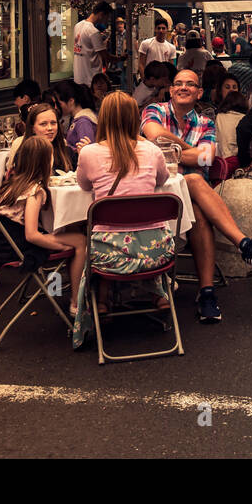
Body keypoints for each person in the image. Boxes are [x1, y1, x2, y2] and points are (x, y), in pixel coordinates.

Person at [141, 69, 252, 322]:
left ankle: (207, 292)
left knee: (199, 211)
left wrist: (171, 151)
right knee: (192, 178)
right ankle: (243, 244)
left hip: (191, 200)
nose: (183, 87)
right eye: (178, 83)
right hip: (158, 193)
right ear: (171, 90)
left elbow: (207, 158)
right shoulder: (155, 110)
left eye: (189, 84)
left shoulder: (206, 122)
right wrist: (190, 150)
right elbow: (156, 137)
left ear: (199, 92)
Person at [72, 93, 175, 344]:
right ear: (134, 119)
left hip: (110, 255)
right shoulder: (151, 150)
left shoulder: (89, 153)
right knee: (141, 230)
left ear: (103, 119)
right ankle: (157, 293)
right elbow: (163, 180)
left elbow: (83, 185)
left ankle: (103, 300)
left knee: (105, 235)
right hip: (157, 251)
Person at [0, 136, 88, 316]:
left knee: (69, 233)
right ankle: (76, 302)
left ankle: (55, 292)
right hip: (20, 246)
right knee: (80, 241)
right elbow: (31, 234)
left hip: (4, 243)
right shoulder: (34, 191)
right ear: (45, 161)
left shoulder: (13, 183)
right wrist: (58, 246)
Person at [8, 102, 74, 173]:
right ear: (33, 128)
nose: (49, 128)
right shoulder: (23, 156)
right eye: (43, 124)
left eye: (53, 123)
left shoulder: (67, 153)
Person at [72, 2, 115, 87]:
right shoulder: (93, 32)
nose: (106, 21)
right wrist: (121, 58)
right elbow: (106, 57)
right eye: (107, 17)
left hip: (78, 78)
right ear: (101, 14)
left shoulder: (77, 26)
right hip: (91, 80)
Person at [54, 80, 97, 152]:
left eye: (59, 103)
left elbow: (87, 152)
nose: (56, 107)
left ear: (71, 101)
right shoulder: (77, 119)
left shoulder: (83, 122)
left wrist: (66, 146)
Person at [215, 90, 250, 172]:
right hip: (241, 162)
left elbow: (217, 139)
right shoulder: (246, 118)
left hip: (224, 162)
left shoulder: (219, 117)